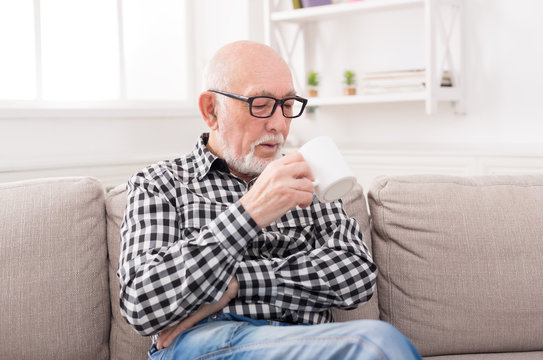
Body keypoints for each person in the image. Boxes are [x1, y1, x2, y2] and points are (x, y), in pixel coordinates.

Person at [118, 40, 421, 360]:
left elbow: (355, 274)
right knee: (375, 344)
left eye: (288, 105)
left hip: (309, 343)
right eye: (260, 104)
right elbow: (142, 302)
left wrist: (235, 284)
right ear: (211, 110)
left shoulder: (309, 176)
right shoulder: (160, 183)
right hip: (205, 342)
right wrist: (250, 213)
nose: (279, 124)